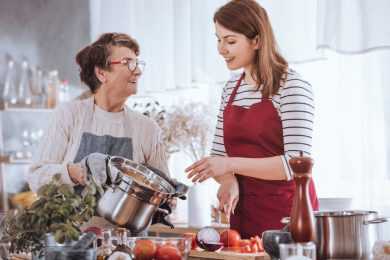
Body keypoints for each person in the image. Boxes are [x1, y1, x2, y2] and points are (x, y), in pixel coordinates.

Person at [186, 0, 318, 238]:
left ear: (256, 41)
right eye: (218, 39)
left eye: (231, 41)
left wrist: (230, 165)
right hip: (243, 215)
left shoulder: (292, 86)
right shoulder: (230, 89)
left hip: (288, 217)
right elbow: (219, 156)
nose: (221, 49)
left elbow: (295, 164)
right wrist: (227, 180)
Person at [27, 33, 169, 231]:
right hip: (71, 241)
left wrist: (168, 197)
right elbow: (36, 177)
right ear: (102, 73)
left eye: (138, 63)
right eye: (128, 63)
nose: (137, 71)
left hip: (125, 246)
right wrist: (72, 172)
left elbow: (160, 193)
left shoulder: (147, 129)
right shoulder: (69, 115)